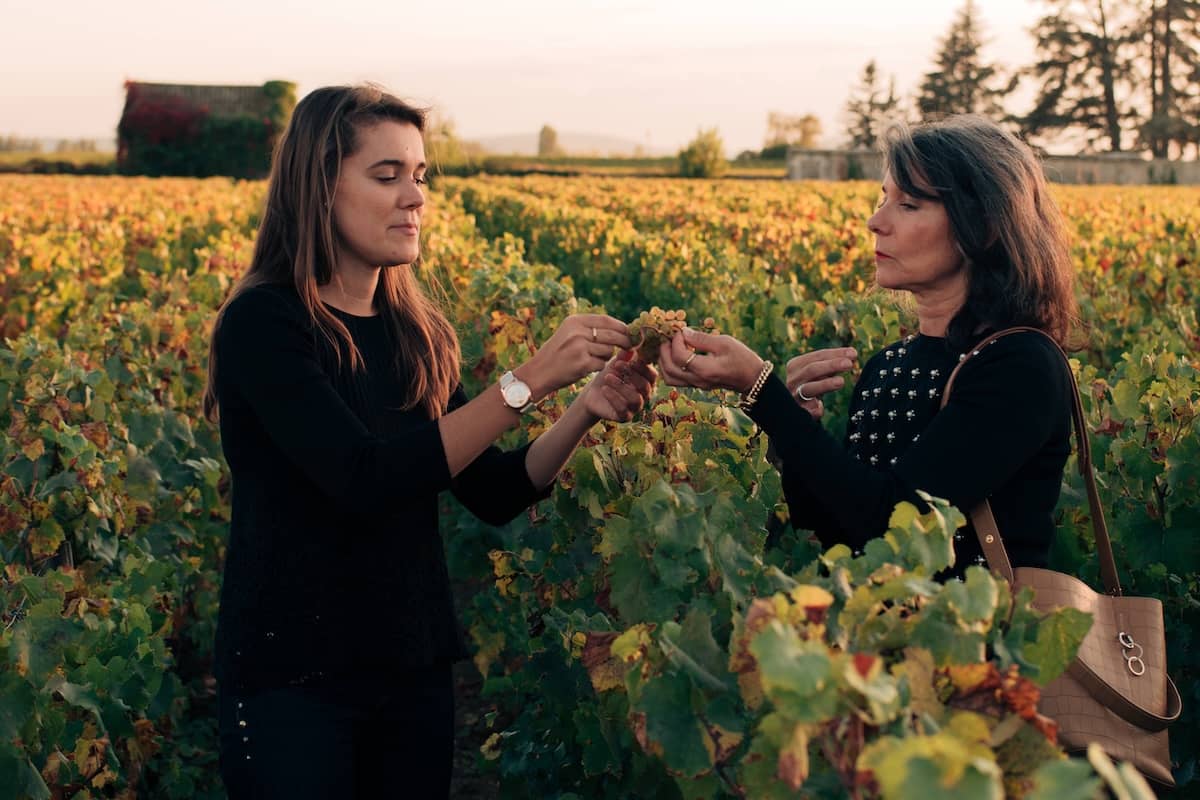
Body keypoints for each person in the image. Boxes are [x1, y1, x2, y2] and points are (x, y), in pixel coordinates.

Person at [201, 85, 655, 799]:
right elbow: (364, 477)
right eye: (387, 176)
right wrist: (530, 379)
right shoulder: (265, 325)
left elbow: (495, 491)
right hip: (292, 677)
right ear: (318, 188)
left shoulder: (418, 333)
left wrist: (585, 409)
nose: (415, 197)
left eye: (420, 176)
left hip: (411, 670)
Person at [659, 115, 1077, 574]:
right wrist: (792, 420)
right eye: (883, 199)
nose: (875, 222)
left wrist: (763, 392)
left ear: (984, 226)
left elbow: (895, 526)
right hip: (871, 638)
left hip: (977, 642)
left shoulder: (1019, 365)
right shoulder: (889, 365)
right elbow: (834, 533)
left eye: (909, 205)